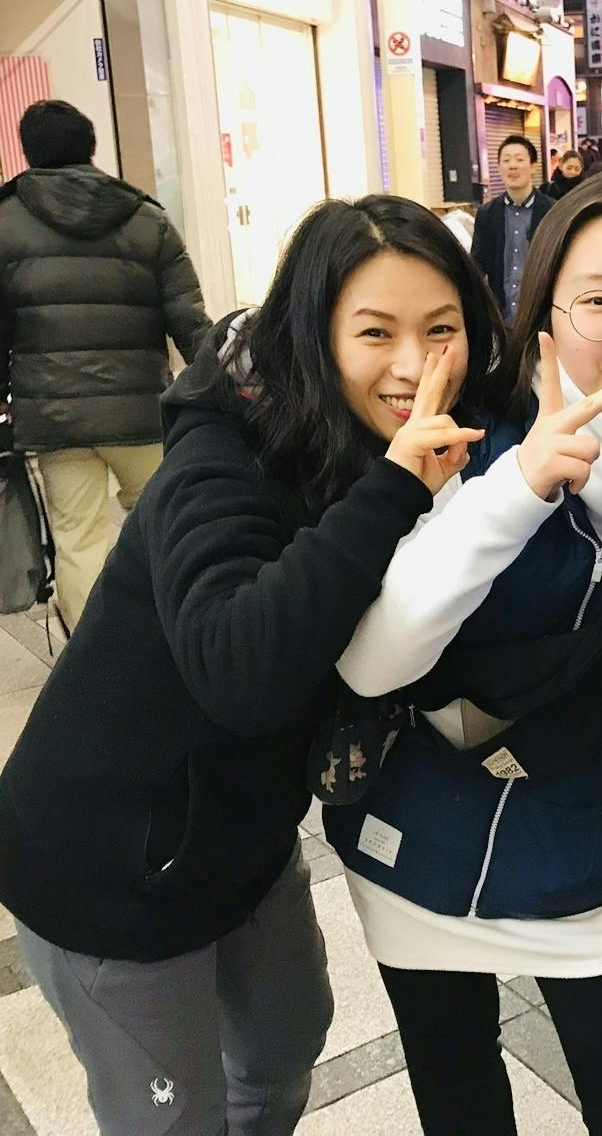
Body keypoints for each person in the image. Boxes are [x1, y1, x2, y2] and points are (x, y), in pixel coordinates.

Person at [0, 194, 503, 1135]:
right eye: (376, 332)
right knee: (172, 1119)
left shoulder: (376, 435)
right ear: (314, 334)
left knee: (282, 1047)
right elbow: (240, 670)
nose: (414, 364)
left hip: (240, 842)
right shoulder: (223, 455)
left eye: (442, 329)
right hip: (110, 868)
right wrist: (393, 488)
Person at [324, 173, 602, 1136]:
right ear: (545, 318)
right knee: (457, 1093)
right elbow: (373, 666)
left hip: (583, 855)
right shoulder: (466, 439)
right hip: (415, 834)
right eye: (598, 301)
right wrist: (516, 488)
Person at [0, 99, 212, 630]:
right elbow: (189, 320)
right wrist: (222, 388)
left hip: (55, 417)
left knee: (79, 536)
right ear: (90, 145)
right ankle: (176, 631)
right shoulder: (146, 219)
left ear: (28, 151)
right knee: (164, 522)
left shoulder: (4, 221)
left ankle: (98, 651)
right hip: (140, 410)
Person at [470, 135, 554, 323]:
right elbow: (477, 265)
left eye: (519, 159)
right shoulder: (487, 214)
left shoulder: (552, 211)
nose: (512, 166)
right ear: (499, 167)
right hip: (501, 317)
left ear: (533, 166)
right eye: (506, 160)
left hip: (542, 318)